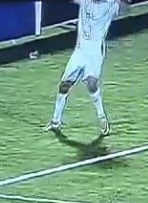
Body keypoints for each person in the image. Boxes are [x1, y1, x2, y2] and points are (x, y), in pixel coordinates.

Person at [45, 0, 125, 136]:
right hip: (80, 50)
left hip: (95, 50)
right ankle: (56, 121)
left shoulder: (110, 5)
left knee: (91, 83)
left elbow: (124, 8)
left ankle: (102, 118)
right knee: (64, 85)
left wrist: (122, 3)